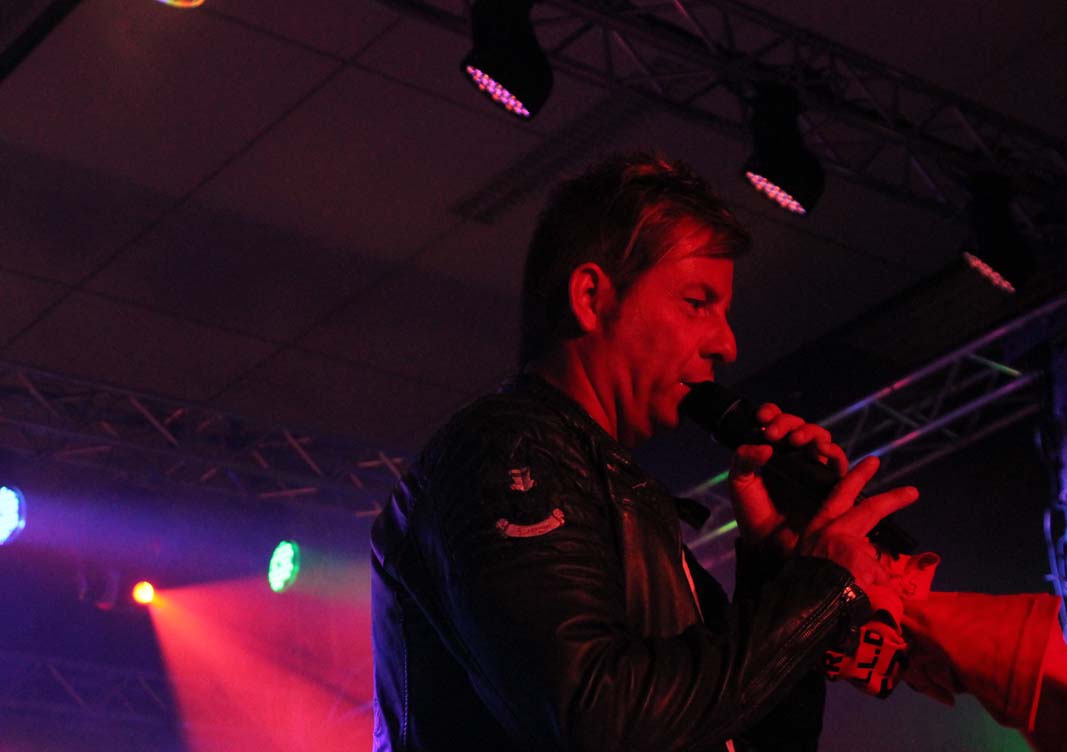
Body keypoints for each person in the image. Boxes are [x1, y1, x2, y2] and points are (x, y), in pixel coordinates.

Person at [370, 152, 919, 751]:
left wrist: (777, 570)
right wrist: (819, 589)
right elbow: (597, 723)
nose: (727, 345)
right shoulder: (510, 452)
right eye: (697, 302)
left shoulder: (618, 499)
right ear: (591, 297)